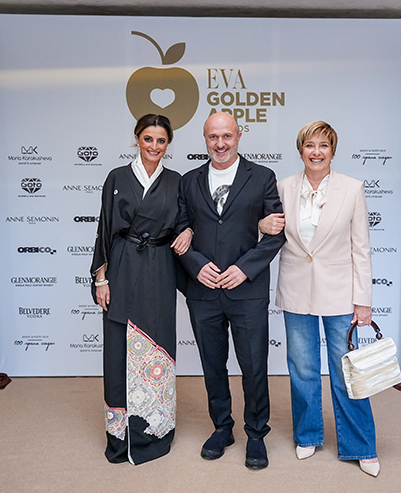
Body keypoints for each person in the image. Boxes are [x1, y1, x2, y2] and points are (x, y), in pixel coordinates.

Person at [262, 120, 380, 476]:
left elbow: (361, 248)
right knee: (302, 369)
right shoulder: (283, 187)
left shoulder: (352, 188)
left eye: (323, 146)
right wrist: (261, 225)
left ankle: (361, 445)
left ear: (333, 151)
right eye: (310, 145)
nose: (316, 152)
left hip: (341, 293)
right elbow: (268, 228)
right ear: (301, 150)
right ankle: (308, 434)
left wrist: (363, 300)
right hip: (296, 288)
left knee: (347, 371)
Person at [176, 112, 285, 469]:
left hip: (246, 290)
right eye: (213, 137)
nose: (220, 144)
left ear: (239, 136)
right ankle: (222, 427)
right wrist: (195, 264)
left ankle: (256, 433)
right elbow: (179, 230)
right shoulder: (188, 181)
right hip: (203, 290)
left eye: (227, 136)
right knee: (212, 365)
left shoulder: (263, 177)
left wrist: (244, 269)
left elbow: (277, 233)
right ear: (205, 139)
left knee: (253, 366)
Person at [90, 114, 192, 465]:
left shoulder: (176, 181)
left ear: (168, 144)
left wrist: (188, 231)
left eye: (161, 140)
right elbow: (104, 228)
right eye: (148, 139)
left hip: (159, 269)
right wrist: (100, 279)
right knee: (118, 348)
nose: (154, 146)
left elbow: (186, 222)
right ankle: (119, 436)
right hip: (121, 265)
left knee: (157, 345)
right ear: (137, 139)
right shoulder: (117, 177)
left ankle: (153, 428)